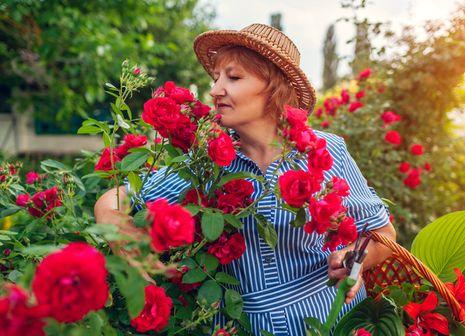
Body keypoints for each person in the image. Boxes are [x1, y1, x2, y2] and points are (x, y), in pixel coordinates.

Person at [94, 23, 396, 336]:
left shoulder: (324, 150)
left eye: (233, 77)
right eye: (216, 78)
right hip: (245, 325)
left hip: (329, 319)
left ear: (275, 87)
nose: (215, 90)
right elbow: (117, 199)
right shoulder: (207, 161)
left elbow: (382, 232)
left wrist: (353, 258)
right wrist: (121, 235)